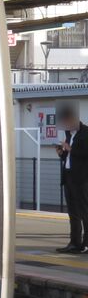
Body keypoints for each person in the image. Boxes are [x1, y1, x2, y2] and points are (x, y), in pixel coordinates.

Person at [55, 101, 88, 253]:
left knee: (85, 212)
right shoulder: (68, 134)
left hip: (82, 180)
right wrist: (63, 154)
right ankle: (74, 242)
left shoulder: (86, 133)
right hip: (68, 177)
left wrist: (71, 149)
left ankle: (86, 244)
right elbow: (70, 157)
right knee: (73, 213)